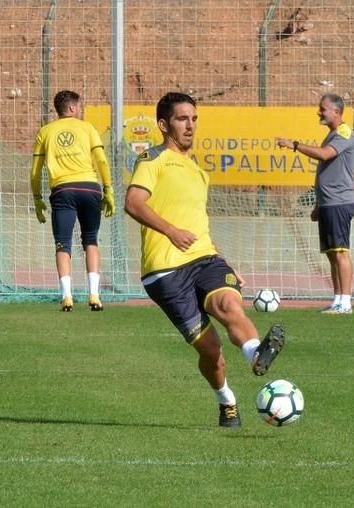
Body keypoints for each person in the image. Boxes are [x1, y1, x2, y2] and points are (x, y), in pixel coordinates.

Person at [124, 92, 285, 428]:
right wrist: (170, 231)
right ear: (164, 125)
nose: (191, 125)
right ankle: (226, 400)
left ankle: (256, 352)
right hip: (165, 270)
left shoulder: (198, 172)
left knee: (229, 303)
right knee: (210, 350)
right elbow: (134, 203)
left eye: (194, 119)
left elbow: (199, 224)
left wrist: (223, 260)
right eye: (183, 119)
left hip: (205, 258)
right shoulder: (152, 160)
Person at [30, 90, 116, 312]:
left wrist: (37, 198)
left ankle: (66, 296)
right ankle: (94, 295)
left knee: (62, 244)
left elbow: (35, 172)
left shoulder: (45, 132)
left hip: (63, 191)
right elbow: (101, 161)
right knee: (91, 240)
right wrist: (108, 190)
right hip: (90, 188)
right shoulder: (87, 128)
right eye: (79, 106)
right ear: (71, 108)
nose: (81, 110)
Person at [276, 93, 354, 314]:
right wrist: (319, 205)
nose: (318, 112)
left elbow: (323, 155)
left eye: (322, 109)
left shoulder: (343, 133)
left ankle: (346, 302)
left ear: (336, 112)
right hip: (329, 203)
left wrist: (294, 145)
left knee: (341, 252)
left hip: (340, 202)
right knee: (332, 253)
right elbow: (329, 172)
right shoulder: (332, 134)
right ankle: (338, 300)